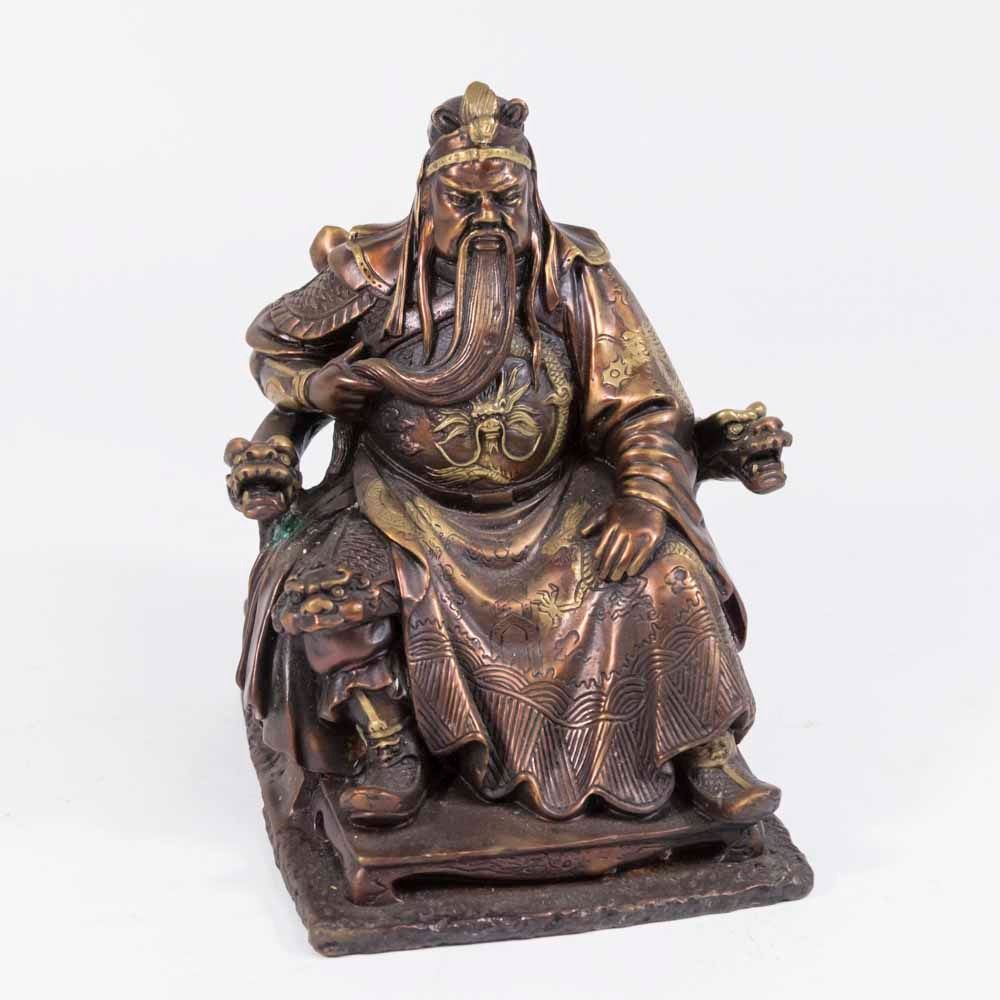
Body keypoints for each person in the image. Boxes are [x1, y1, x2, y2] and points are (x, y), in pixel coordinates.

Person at [226, 82, 793, 829]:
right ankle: (388, 746)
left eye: (507, 199)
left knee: (668, 571)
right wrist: (313, 386)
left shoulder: (574, 274)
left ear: (532, 197)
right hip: (404, 502)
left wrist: (641, 500)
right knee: (332, 591)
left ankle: (704, 750)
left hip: (553, 499)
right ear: (427, 198)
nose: (486, 218)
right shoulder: (370, 272)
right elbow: (274, 354)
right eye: (464, 201)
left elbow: (644, 405)